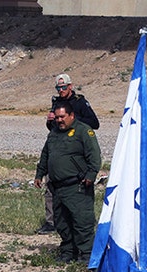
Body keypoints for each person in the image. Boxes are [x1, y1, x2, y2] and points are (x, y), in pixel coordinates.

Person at [35, 100, 102, 264]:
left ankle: (86, 254)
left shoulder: (83, 131)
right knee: (62, 222)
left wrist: (91, 175)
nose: (59, 120)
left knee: (82, 221)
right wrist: (40, 173)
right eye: (57, 117)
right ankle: (68, 251)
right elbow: (46, 154)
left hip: (77, 186)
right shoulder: (54, 133)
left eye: (62, 117)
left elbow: (94, 156)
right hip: (58, 187)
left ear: (72, 115)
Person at [39, 73, 99, 235]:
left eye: (63, 87)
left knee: (78, 190)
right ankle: (52, 222)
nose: (61, 90)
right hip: (58, 148)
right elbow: (53, 128)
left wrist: (72, 118)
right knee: (51, 188)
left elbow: (94, 123)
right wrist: (51, 120)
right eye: (58, 88)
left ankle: (84, 221)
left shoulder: (79, 102)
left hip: (76, 149)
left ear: (70, 86)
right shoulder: (56, 102)